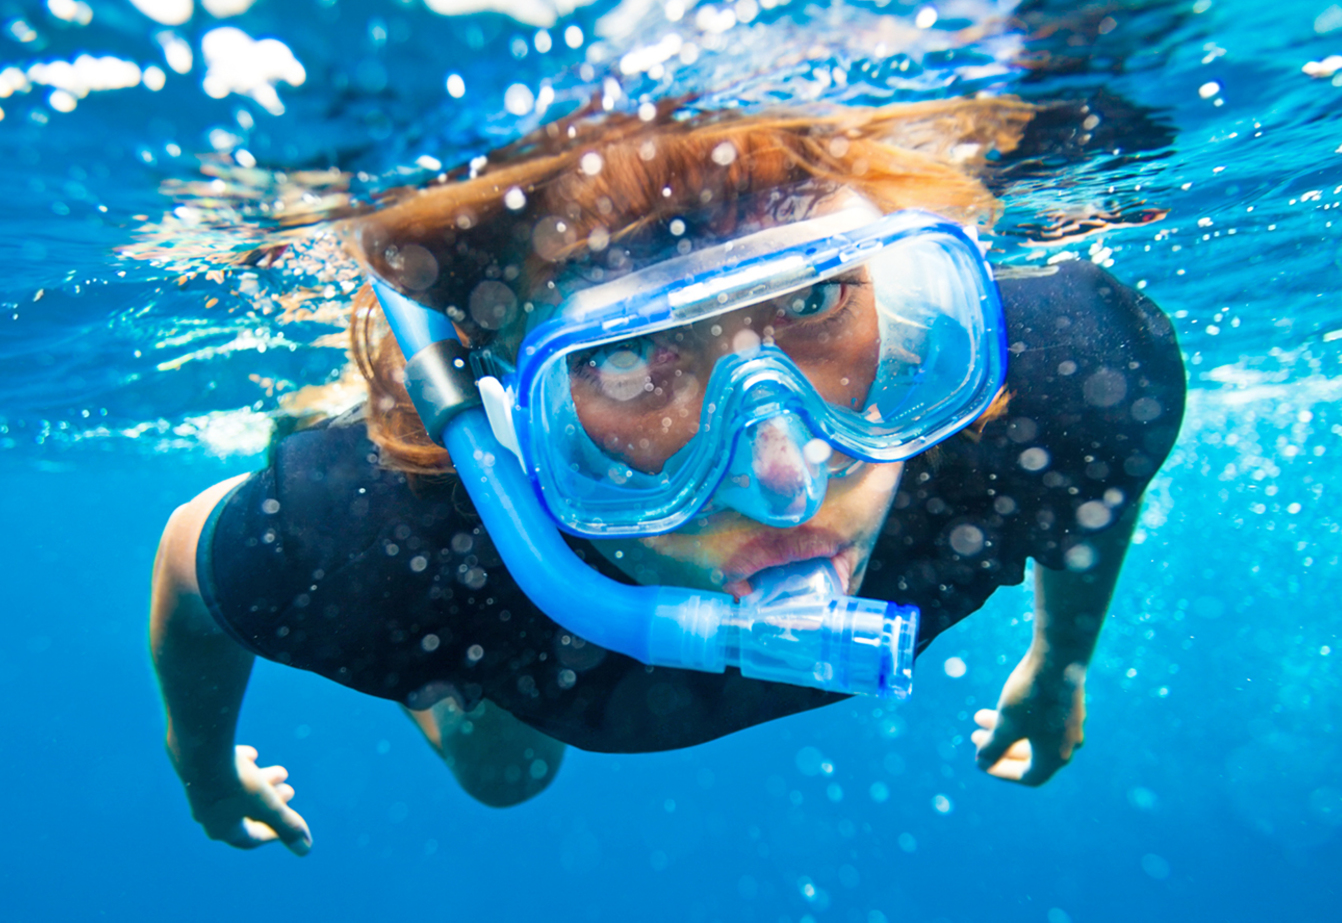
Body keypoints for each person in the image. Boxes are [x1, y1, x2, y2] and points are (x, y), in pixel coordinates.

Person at [150, 96, 1185, 854]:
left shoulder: (1063, 374)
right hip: (543, 664)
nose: (784, 476)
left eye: (820, 300)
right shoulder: (387, 540)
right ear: (517, 411)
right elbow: (187, 566)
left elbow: (1088, 497)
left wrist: (1060, 662)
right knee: (506, 775)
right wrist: (200, 774)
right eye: (628, 361)